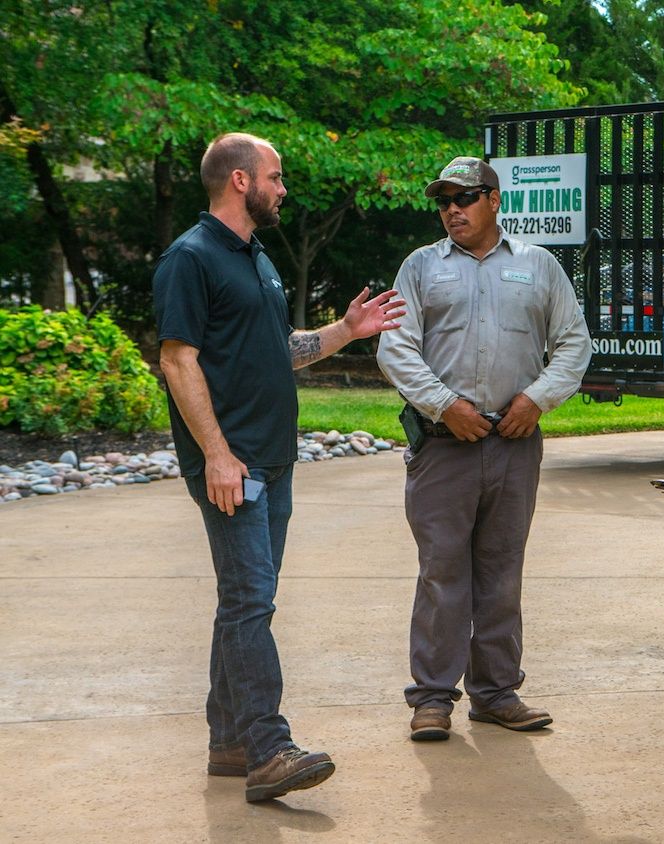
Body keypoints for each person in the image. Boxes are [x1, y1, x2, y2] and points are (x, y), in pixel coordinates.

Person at [153, 132, 406, 802]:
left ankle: (229, 741)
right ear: (240, 181)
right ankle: (268, 749)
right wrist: (216, 454)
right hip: (234, 466)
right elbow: (178, 360)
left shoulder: (255, 259)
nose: (283, 187)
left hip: (274, 462)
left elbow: (281, 350)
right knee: (250, 603)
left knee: (242, 604)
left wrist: (346, 331)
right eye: (275, 176)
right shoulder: (192, 258)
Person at [377, 156, 590, 742]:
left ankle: (497, 693)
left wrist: (537, 399)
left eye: (464, 198)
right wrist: (444, 404)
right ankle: (432, 698)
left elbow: (574, 342)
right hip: (444, 446)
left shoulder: (538, 266)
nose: (451, 209)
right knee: (443, 571)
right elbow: (395, 347)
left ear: (494, 201)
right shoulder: (420, 267)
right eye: (443, 201)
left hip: (514, 443)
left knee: (501, 570)